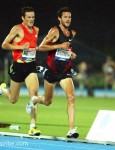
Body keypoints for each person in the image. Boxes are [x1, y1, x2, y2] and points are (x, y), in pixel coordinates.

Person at [26, 6, 79, 138]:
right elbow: (41, 47)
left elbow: (66, 48)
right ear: (59, 18)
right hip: (52, 71)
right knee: (48, 101)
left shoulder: (72, 33)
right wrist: (60, 45)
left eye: (69, 17)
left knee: (71, 97)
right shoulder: (55, 31)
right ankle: (34, 100)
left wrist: (70, 53)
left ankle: (71, 129)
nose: (68, 19)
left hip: (65, 71)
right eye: (65, 17)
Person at [0, 6, 41, 136]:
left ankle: (33, 127)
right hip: (18, 67)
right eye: (28, 17)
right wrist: (20, 46)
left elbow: (32, 46)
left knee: (33, 95)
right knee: (13, 99)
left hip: (30, 67)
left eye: (33, 17)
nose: (31, 19)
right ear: (23, 18)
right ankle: (2, 90)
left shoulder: (36, 30)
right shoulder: (17, 29)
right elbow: (4, 45)